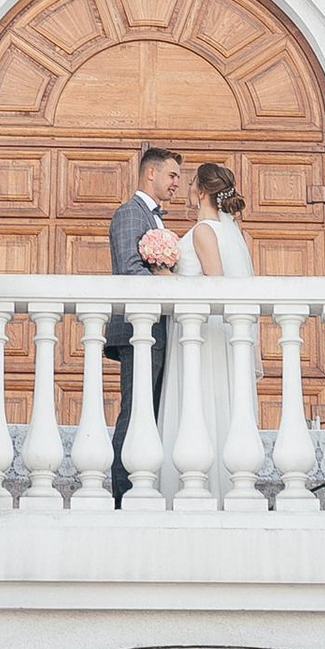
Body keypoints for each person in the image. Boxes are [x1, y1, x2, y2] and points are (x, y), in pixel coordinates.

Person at [159, 159, 254, 489]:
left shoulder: (203, 231)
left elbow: (215, 284)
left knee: (197, 403)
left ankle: (199, 487)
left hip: (200, 336)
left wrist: (164, 277)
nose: (186, 189)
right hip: (207, 335)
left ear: (200, 192)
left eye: (190, 184)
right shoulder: (227, 232)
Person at [107, 144, 183, 507]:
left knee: (150, 412)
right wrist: (168, 282)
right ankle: (123, 494)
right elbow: (130, 270)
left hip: (157, 332)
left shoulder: (156, 218)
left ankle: (144, 486)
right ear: (149, 173)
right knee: (135, 411)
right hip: (139, 332)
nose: (176, 185)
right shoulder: (129, 214)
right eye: (172, 176)